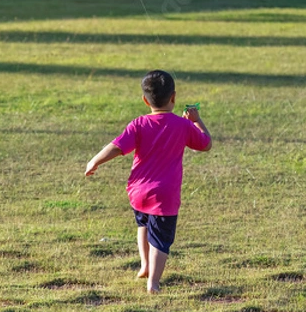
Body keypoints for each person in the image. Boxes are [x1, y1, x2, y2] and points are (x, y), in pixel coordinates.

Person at [85, 70, 212, 293]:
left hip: (137, 191)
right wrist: (197, 120)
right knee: (161, 240)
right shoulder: (182, 126)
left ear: (145, 100)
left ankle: (144, 265)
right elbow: (206, 144)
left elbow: (117, 146)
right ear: (174, 97)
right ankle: (153, 282)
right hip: (165, 194)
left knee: (143, 225)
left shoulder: (138, 124)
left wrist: (95, 160)